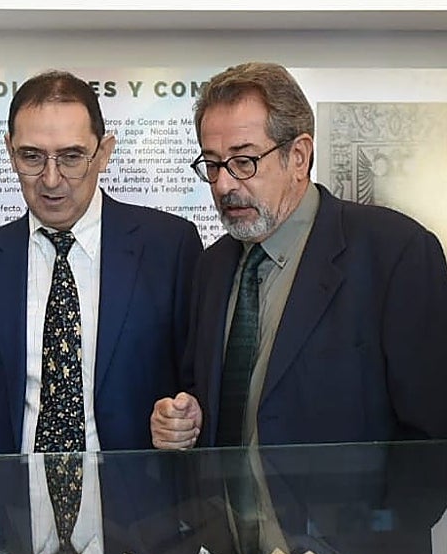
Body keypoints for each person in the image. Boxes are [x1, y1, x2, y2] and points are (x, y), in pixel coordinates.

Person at [152, 60, 447, 450]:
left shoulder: (396, 253)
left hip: (351, 511)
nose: (223, 184)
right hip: (219, 511)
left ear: (299, 157)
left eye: (244, 161)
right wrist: (186, 418)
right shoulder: (213, 266)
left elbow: (431, 435)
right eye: (212, 164)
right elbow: (208, 393)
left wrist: (381, 513)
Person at [0, 70, 201, 456]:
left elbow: (193, 380)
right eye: (31, 156)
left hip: (136, 504)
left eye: (71, 157)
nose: (51, 179)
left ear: (103, 153)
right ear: (9, 151)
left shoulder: (168, 247)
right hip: (14, 501)